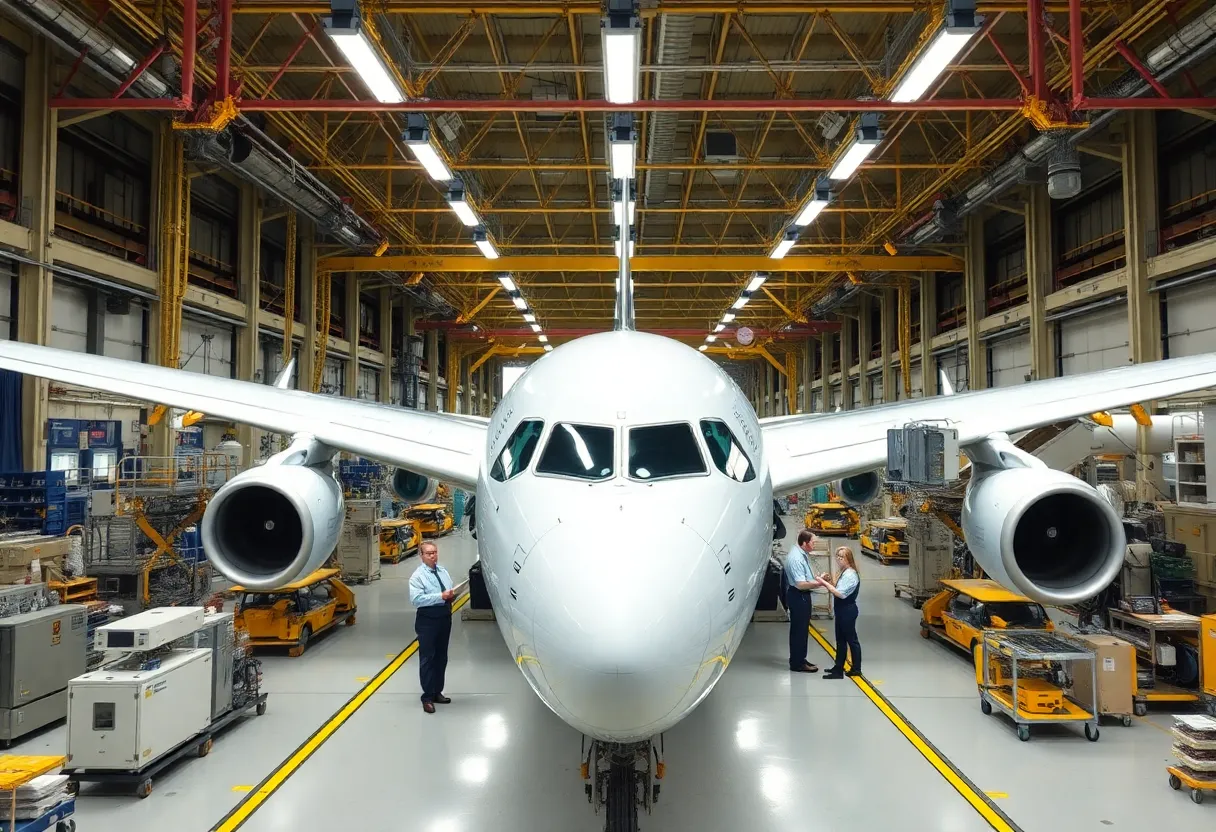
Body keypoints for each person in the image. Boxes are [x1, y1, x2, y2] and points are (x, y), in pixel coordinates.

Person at [409, 541, 455, 713]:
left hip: (444, 617)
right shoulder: (417, 577)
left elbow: (449, 589)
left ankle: (437, 691)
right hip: (428, 620)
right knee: (428, 658)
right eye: (428, 553)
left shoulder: (443, 572)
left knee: (441, 657)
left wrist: (451, 596)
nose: (433, 556)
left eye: (435, 552)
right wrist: (440, 596)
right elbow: (416, 600)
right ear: (421, 556)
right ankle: (427, 697)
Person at [784, 529, 826, 673]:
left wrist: (817, 578)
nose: (814, 545)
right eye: (813, 543)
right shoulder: (796, 558)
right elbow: (800, 584)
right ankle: (797, 664)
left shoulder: (802, 554)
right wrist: (820, 584)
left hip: (801, 595)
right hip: (799, 596)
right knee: (799, 631)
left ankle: (800, 658)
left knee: (801, 630)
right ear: (804, 543)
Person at [819, 546, 862, 679]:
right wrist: (829, 581)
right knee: (840, 640)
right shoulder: (843, 572)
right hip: (842, 610)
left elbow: (841, 594)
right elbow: (838, 588)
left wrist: (823, 583)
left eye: (842, 557)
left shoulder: (850, 575)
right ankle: (838, 667)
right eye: (837, 556)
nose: (839, 559)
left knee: (851, 640)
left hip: (847, 611)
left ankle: (856, 668)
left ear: (848, 558)